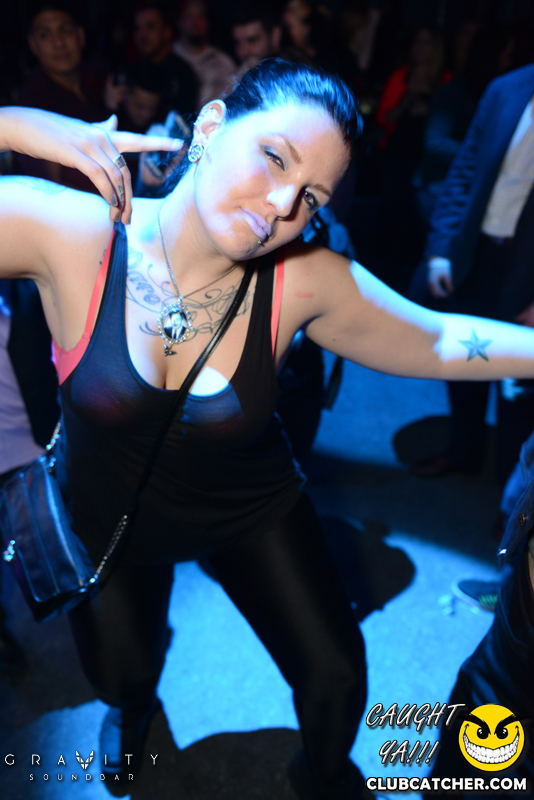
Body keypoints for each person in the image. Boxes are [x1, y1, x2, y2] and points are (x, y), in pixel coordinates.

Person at [4, 60, 534, 800]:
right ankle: (132, 708)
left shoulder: (303, 278)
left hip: (246, 509)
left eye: (312, 196)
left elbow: (441, 339)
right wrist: (18, 126)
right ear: (212, 126)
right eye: (275, 157)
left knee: (337, 678)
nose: (285, 205)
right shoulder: (76, 234)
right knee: (121, 675)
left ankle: (320, 776)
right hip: (110, 518)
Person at [413, 63, 534, 483]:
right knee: (466, 361)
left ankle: (512, 495)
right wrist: (440, 251)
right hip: (477, 253)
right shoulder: (507, 88)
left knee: (520, 389)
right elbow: (464, 171)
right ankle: (462, 452)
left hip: (528, 270)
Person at [18, 2, 106, 192]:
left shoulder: (97, 82)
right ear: (33, 45)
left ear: (80, 36)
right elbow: (50, 188)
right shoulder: (34, 104)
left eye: (65, 31)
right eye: (45, 35)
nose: (58, 43)